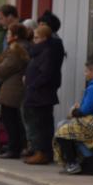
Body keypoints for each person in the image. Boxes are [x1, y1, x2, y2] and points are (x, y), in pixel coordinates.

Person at [54, 61, 93, 174]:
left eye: (86, 71)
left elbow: (86, 110)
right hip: (92, 121)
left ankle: (72, 164)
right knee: (66, 128)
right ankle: (85, 161)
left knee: (62, 132)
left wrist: (74, 111)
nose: (84, 74)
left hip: (92, 123)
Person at [0, 23, 30, 159]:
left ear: (15, 36)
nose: (7, 36)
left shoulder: (16, 50)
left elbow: (3, 70)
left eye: (9, 34)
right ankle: (16, 146)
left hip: (12, 89)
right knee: (13, 119)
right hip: (13, 88)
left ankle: (14, 148)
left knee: (11, 119)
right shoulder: (19, 48)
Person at [23, 25, 63, 164]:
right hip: (36, 94)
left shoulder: (47, 52)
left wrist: (33, 85)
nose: (34, 40)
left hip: (41, 95)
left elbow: (47, 73)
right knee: (36, 123)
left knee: (41, 125)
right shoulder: (39, 51)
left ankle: (43, 152)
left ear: (44, 38)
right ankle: (37, 149)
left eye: (37, 37)